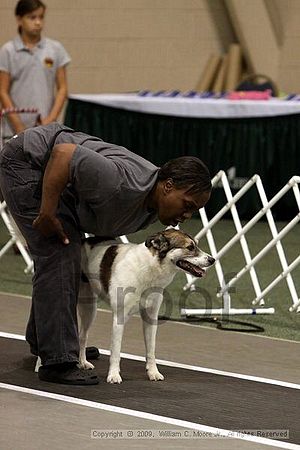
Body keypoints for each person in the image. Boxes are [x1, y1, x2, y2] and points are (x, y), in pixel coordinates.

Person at [0, 123, 212, 385]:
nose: (187, 215)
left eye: (194, 211)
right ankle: (57, 359)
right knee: (60, 251)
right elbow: (64, 154)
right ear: (168, 186)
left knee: (66, 250)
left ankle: (53, 341)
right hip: (27, 162)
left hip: (55, 170)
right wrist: (47, 211)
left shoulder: (150, 204)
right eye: (187, 205)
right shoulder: (120, 182)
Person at [0, 0, 70, 138]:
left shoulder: (56, 49)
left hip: (46, 130)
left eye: (41, 17)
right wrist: (19, 126)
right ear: (19, 19)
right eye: (32, 17)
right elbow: (3, 91)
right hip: (13, 132)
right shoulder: (8, 50)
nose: (38, 22)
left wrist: (50, 120)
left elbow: (62, 88)